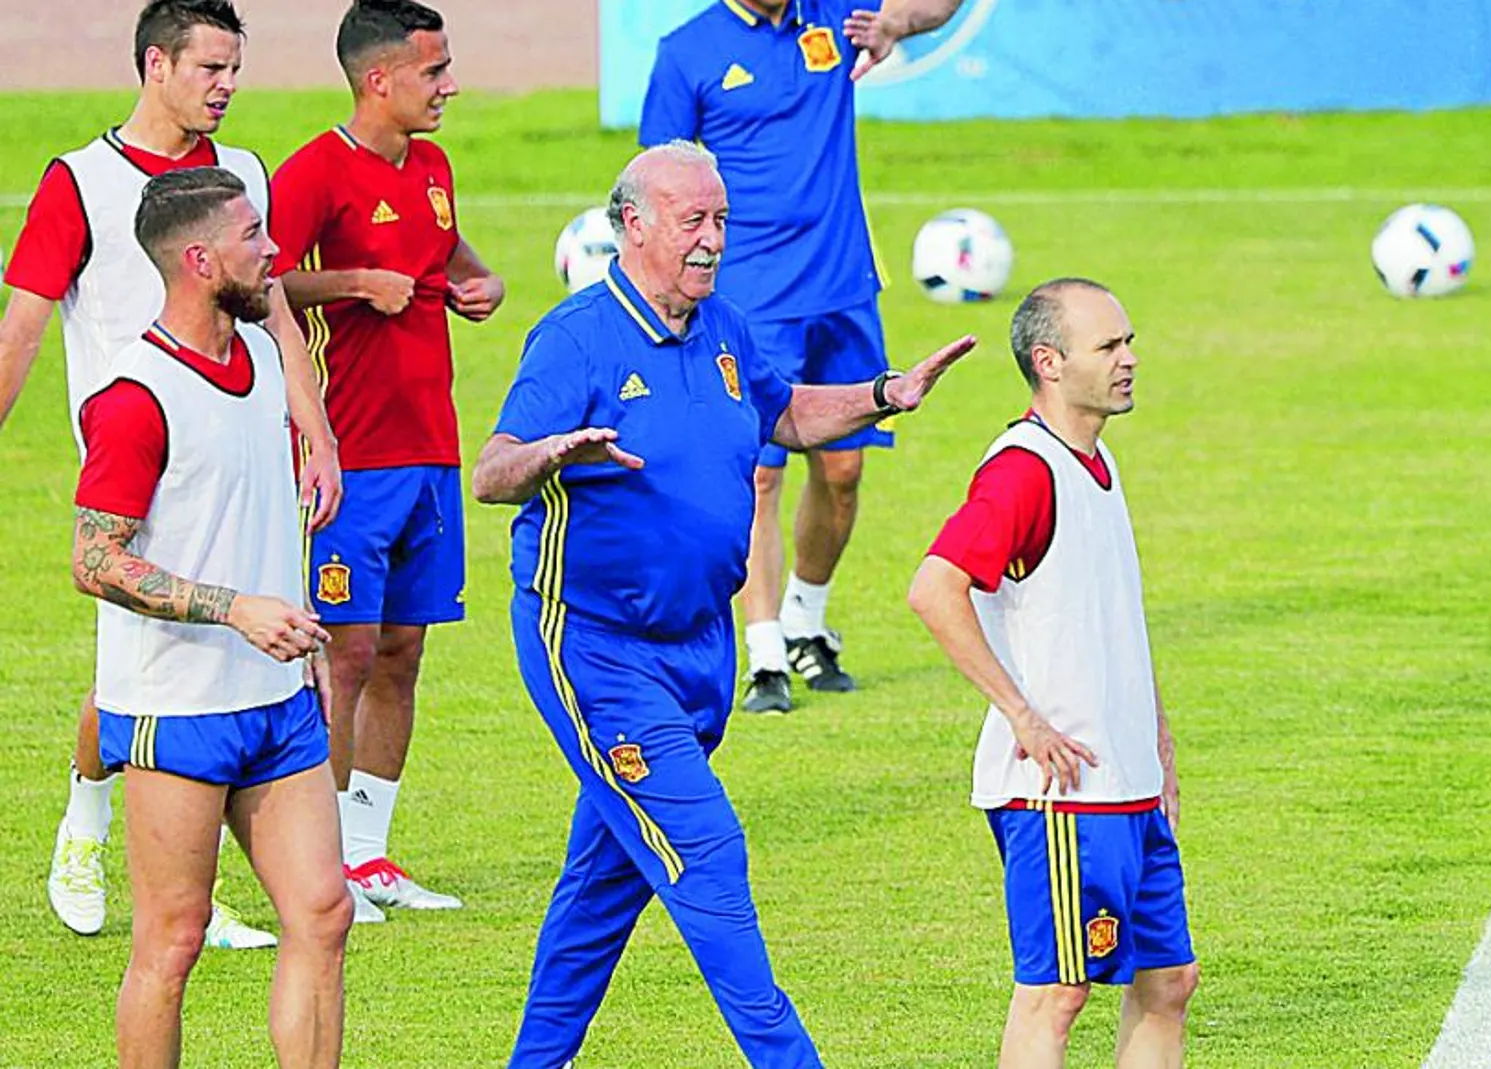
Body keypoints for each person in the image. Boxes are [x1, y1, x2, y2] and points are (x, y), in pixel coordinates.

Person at [471, 141, 973, 1069]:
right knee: (707, 852)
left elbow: (782, 413)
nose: (712, 241)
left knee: (603, 884)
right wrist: (554, 454)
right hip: (596, 648)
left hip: (697, 651)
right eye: (692, 221)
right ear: (633, 225)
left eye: (721, 221)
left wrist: (882, 395)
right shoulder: (575, 338)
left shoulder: (724, 325)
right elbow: (492, 469)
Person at [0, 0, 342, 950]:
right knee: (143, 671)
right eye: (210, 69)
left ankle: (196, 875)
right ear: (156, 65)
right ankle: (88, 826)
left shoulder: (240, 177)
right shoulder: (79, 183)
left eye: (236, 69)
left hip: (239, 440)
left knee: (238, 660)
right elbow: (22, 328)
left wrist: (314, 427)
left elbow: (277, 318)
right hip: (134, 462)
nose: (228, 87)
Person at [71, 165, 352, 1069]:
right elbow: (94, 558)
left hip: (276, 695)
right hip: (175, 708)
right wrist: (237, 610)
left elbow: (250, 512)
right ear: (200, 259)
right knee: (174, 934)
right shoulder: (134, 394)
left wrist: (285, 623)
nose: (274, 250)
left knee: (323, 909)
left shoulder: (267, 355)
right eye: (253, 238)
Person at [639, 0, 965, 713]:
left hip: (843, 289)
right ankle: (763, 659)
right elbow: (656, 185)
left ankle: (806, 625)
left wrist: (896, 28)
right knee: (759, 476)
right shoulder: (688, 52)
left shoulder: (837, 15)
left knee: (843, 472)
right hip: (751, 301)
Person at [908, 278, 1198, 1068]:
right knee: (1056, 993)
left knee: (1169, 978)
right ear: (1050, 361)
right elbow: (934, 589)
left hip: (1125, 778)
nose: (1130, 358)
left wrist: (1158, 735)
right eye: (1109, 346)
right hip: (1061, 793)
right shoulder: (1023, 470)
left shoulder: (1096, 461)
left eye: (1128, 341)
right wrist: (1022, 717)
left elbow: (1110, 620)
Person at [272, 0, 505, 922]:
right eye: (434, 70)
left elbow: (444, 246)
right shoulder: (313, 172)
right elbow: (261, 278)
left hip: (431, 450)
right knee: (346, 651)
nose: (450, 84)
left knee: (404, 650)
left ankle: (367, 854)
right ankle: (317, 861)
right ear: (380, 79)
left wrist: (476, 282)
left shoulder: (435, 163)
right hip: (350, 452)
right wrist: (353, 283)